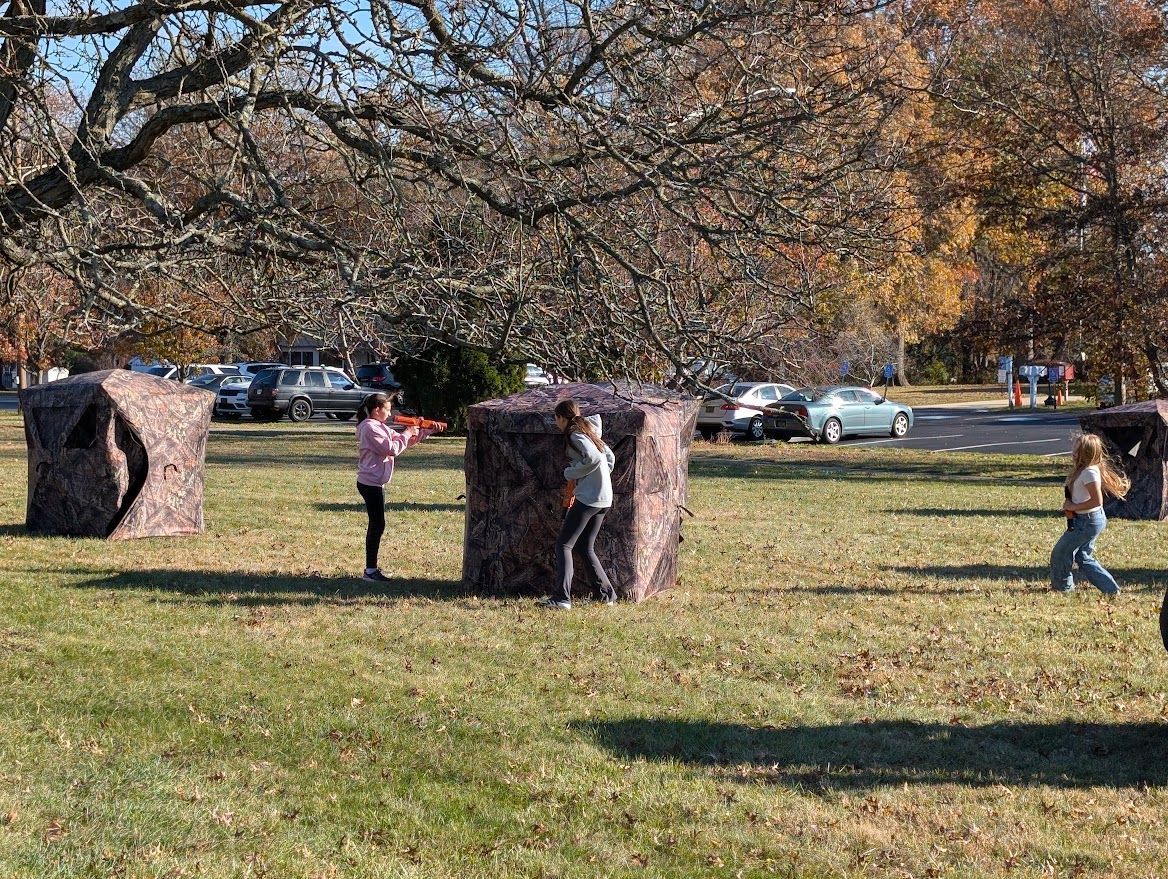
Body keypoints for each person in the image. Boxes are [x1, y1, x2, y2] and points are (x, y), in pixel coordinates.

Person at [542, 399, 617, 609]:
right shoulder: (590, 432)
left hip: (589, 498)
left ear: (561, 417)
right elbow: (609, 458)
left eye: (555, 418)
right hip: (604, 498)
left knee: (563, 545)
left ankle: (561, 598)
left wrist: (572, 473)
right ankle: (607, 596)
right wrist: (600, 479)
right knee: (585, 547)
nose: (555, 423)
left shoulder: (576, 434)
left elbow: (593, 459)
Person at [355, 393, 429, 582]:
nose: (389, 414)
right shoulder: (370, 428)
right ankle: (370, 571)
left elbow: (403, 442)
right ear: (377, 409)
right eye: (387, 410)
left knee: (378, 524)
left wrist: (424, 431)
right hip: (369, 483)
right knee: (377, 524)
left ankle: (371, 570)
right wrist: (407, 432)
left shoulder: (379, 426)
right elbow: (392, 448)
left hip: (375, 482)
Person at [1050, 433, 1130, 595]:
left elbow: (1096, 501)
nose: (1073, 452)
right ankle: (1111, 590)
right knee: (1083, 556)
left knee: (1060, 553)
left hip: (1088, 521)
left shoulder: (1089, 473)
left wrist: (1073, 506)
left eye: (1077, 450)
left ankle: (1063, 588)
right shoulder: (1085, 470)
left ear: (1086, 453)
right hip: (1088, 519)